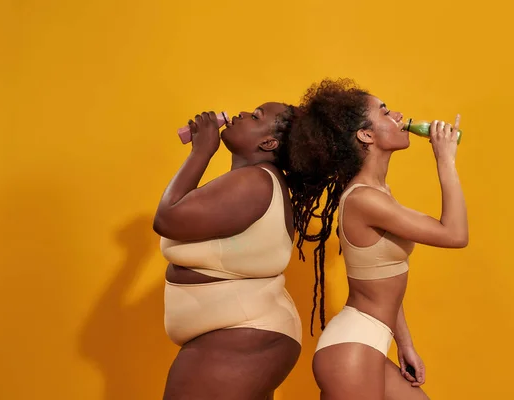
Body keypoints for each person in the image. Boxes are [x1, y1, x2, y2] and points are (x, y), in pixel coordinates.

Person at [288, 79, 469, 399]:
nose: (398, 115)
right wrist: (445, 158)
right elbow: (455, 235)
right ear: (366, 135)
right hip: (351, 351)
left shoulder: (377, 194)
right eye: (385, 112)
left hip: (367, 343)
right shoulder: (365, 200)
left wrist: (405, 344)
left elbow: (380, 278)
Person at [153, 101, 338, 399]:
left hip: (243, 333)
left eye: (256, 116)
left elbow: (168, 218)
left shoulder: (254, 182)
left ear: (268, 142)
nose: (240, 114)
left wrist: (201, 150)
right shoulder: (253, 181)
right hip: (242, 334)